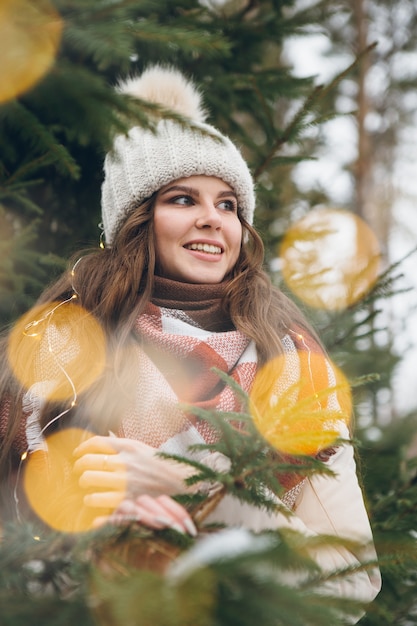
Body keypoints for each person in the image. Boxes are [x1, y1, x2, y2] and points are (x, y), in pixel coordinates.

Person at [0, 65, 380, 615]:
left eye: (228, 204)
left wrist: (195, 488)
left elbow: (351, 583)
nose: (213, 220)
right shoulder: (56, 354)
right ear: (136, 219)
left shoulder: (291, 367)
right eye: (183, 199)